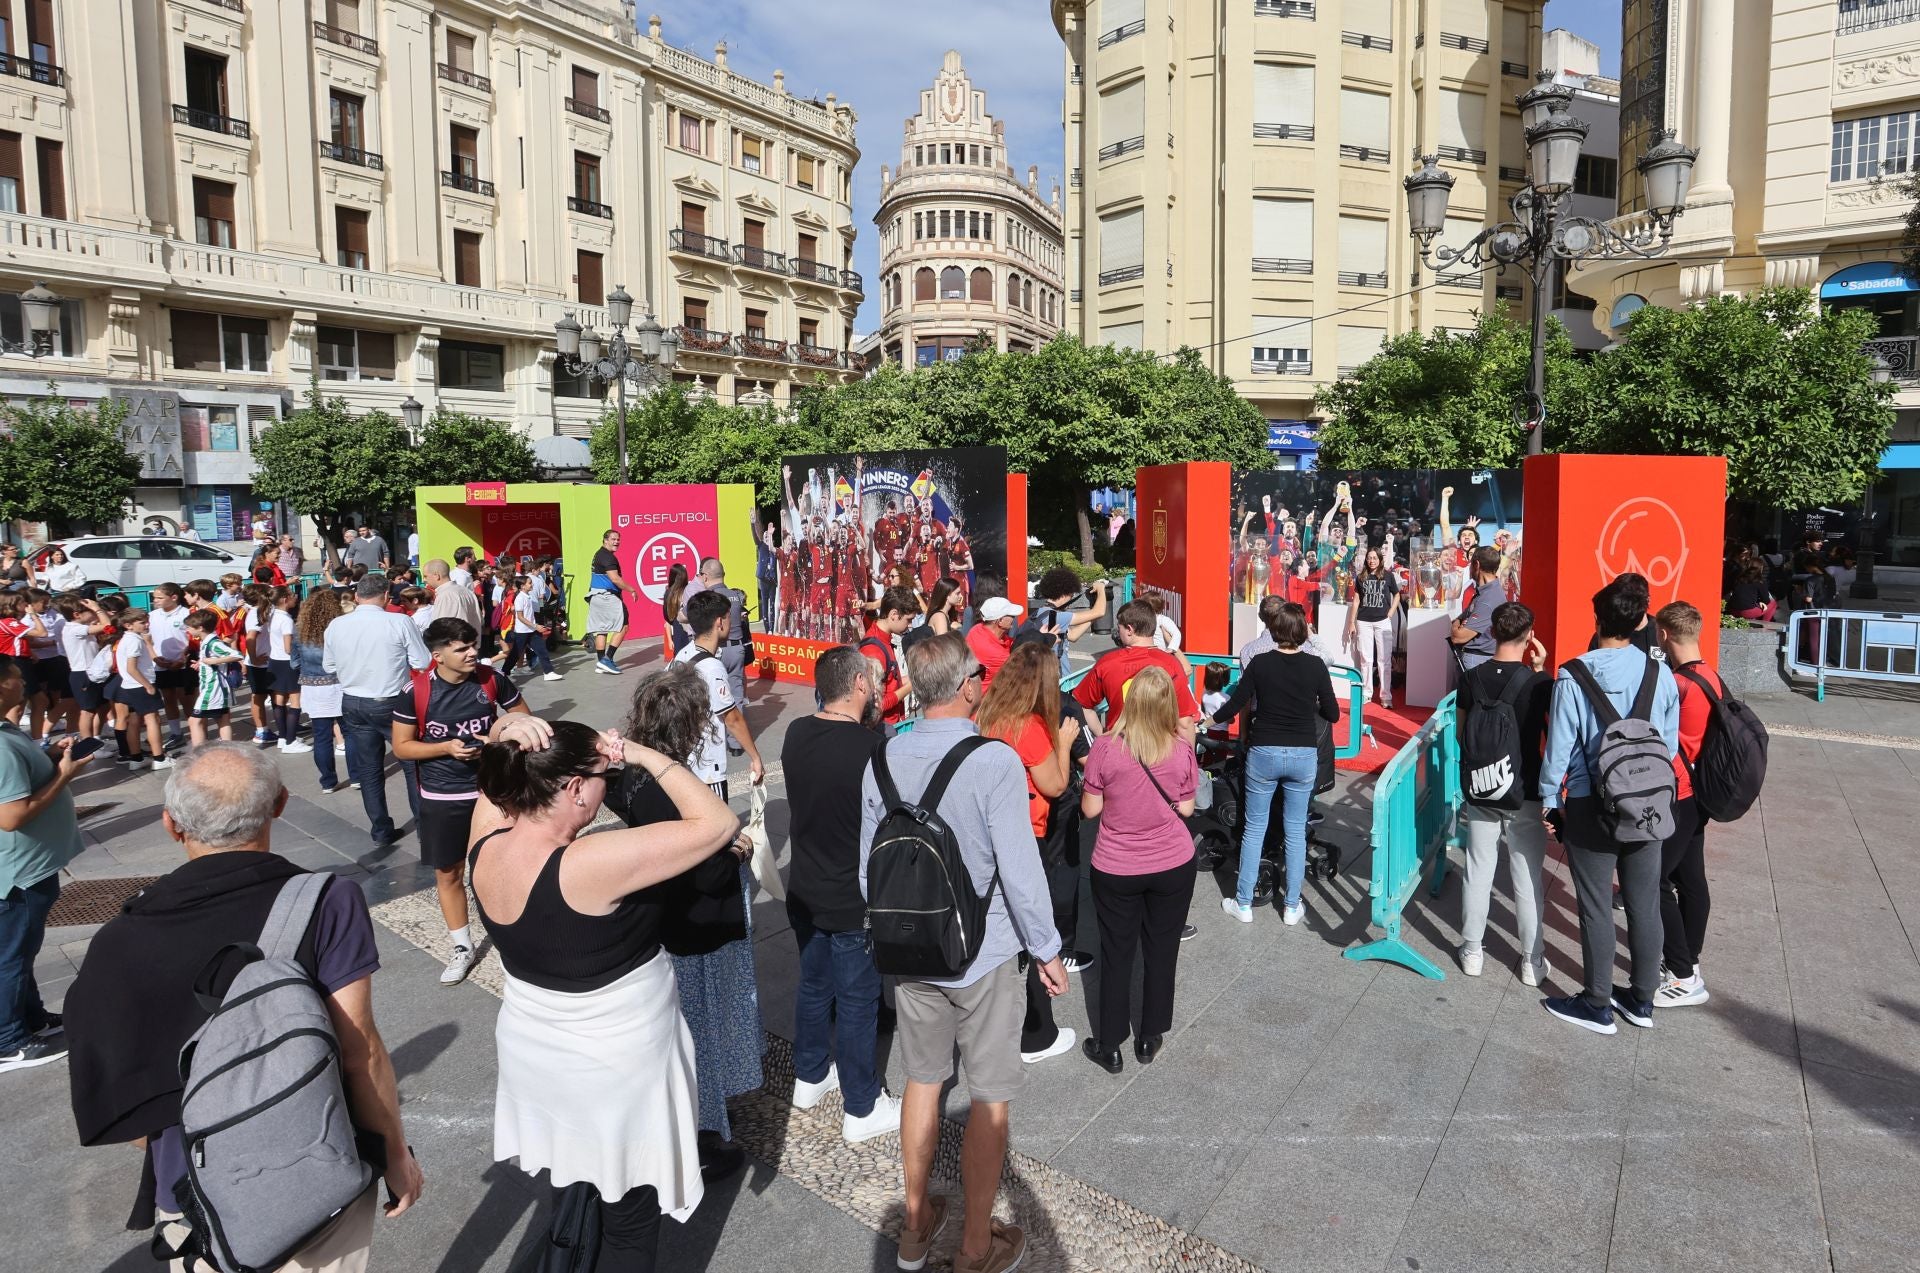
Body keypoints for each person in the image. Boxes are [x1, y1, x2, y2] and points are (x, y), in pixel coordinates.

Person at [64, 744, 423, 1263]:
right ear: (279, 804)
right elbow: (358, 1047)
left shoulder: (120, 934)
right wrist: (394, 1151)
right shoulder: (326, 901)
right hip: (313, 1176)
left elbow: (112, 1080)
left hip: (193, 1191)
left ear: (170, 824)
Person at [468, 720, 735, 1271]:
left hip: (538, 1054)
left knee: (574, 1177)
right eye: (601, 776)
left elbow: (494, 789)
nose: (606, 782)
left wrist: (505, 733)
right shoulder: (588, 864)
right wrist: (638, 753)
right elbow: (717, 822)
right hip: (613, 1069)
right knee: (631, 1221)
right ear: (572, 789)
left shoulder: (487, 844)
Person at [858, 634, 1065, 1273]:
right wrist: (1049, 948)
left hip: (909, 947)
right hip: (984, 950)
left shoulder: (884, 757)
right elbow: (1020, 869)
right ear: (967, 683)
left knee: (923, 1079)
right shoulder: (992, 760)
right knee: (988, 1096)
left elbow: (867, 866)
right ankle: (977, 1244)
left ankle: (916, 1225)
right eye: (978, 672)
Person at [1539, 576, 1680, 1035]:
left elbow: (1559, 749)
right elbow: (1671, 747)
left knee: (1596, 905)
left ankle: (1597, 1002)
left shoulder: (1574, 674)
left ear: (1597, 618)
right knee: (1644, 904)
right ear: (1642, 620)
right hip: (1650, 804)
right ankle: (1642, 999)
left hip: (1589, 803)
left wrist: (1548, 799)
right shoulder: (1661, 675)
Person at [780, 646, 902, 1141]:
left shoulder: (795, 732)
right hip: (851, 896)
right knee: (857, 1000)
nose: (875, 691)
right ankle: (861, 1105)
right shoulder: (871, 749)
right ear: (857, 685)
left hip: (806, 888)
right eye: (871, 683)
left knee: (814, 986)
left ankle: (809, 1077)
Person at [393, 617, 531, 986]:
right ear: (437, 656)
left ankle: (518, 938)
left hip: (493, 792)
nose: (473, 653)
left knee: (507, 865)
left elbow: (524, 720)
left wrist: (495, 738)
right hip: (442, 797)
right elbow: (402, 747)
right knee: (449, 872)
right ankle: (462, 947)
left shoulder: (491, 679)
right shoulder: (416, 692)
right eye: (462, 649)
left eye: (473, 645)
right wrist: (445, 748)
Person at [1079, 665, 1196, 1073]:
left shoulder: (1107, 749)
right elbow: (1186, 807)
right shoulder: (1181, 748)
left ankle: (1110, 1044)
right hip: (1172, 862)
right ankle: (1151, 1035)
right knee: (1163, 950)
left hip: (1116, 865)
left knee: (1116, 953)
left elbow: (1090, 810)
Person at [976, 641, 1083, 1066]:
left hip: (988, 832)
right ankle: (1038, 1032)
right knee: (1039, 929)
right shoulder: (1028, 726)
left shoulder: (988, 714)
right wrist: (1064, 741)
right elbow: (1055, 785)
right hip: (1025, 834)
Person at [0, 654, 89, 1074]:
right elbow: (12, 816)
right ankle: (8, 1041)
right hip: (16, 875)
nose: (24, 686)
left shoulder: (5, 733)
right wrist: (63, 776)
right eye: (17, 680)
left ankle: (30, 1017)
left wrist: (50, 756)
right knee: (12, 956)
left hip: (27, 868)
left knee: (22, 949)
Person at [1455, 602, 1553, 982]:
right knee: (1526, 878)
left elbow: (1463, 732)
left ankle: (1473, 951)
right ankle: (1532, 960)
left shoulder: (1471, 678)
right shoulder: (1539, 683)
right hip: (1523, 788)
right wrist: (1541, 669)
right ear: (1529, 636)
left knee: (1477, 870)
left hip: (1481, 787)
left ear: (1491, 632)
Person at [324, 575, 432, 848]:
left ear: (357, 596)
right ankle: (424, 828)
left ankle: (381, 831)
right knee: (412, 764)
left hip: (352, 701)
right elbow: (421, 660)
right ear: (385, 596)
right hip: (392, 700)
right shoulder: (399, 621)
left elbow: (329, 667)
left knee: (369, 769)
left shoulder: (336, 625)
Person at [1653, 601, 1717, 1008]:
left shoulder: (1678, 684)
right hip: (1702, 792)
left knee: (1652, 880)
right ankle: (1689, 960)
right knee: (1691, 879)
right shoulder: (1710, 676)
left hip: (1679, 792)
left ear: (1664, 635)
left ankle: (1682, 973)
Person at [1072, 599, 1202, 733]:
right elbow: (1185, 722)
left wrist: (1102, 735)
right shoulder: (1171, 663)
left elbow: (1081, 703)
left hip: (1119, 745)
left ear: (1129, 629)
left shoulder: (1107, 662)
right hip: (1160, 747)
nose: (1118, 631)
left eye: (1119, 626)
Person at [292, 587, 348, 791]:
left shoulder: (300, 629)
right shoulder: (341, 627)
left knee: (321, 736)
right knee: (350, 732)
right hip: (340, 684)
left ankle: (328, 781)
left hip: (313, 686)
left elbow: (294, 662)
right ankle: (358, 776)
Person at [116, 608, 173, 772]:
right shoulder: (134, 641)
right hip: (141, 685)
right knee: (153, 720)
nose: (146, 624)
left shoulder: (128, 639)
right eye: (142, 622)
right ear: (128, 625)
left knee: (134, 721)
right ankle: (159, 758)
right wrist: (148, 686)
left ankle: (136, 758)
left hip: (130, 685)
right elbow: (131, 667)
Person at [1345, 546, 1401, 709]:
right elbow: (1356, 600)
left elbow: (1396, 594)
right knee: (1366, 659)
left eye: (1374, 558)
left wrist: (1391, 612)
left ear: (1380, 560)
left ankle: (1386, 696)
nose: (1371, 561)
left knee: (1384, 660)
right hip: (1363, 621)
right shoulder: (1360, 577)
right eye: (1369, 558)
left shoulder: (1388, 576)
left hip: (1383, 622)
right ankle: (1367, 693)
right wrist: (1351, 622)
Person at [1029, 568, 1109, 677]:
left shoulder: (1041, 613)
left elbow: (1073, 636)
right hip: (1058, 679)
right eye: (1071, 594)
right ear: (1065, 593)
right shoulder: (1057, 616)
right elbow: (1100, 612)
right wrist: (1100, 588)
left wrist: (1091, 616)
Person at [861, 587, 917, 729]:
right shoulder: (874, 650)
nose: (910, 625)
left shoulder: (884, 639)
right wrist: (909, 687)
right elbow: (877, 703)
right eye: (908, 620)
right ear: (893, 614)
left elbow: (888, 682)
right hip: (884, 729)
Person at [586, 530, 640, 675]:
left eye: (618, 539)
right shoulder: (607, 557)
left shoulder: (599, 554)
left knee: (602, 629)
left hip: (596, 596)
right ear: (605, 540)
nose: (616, 542)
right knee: (624, 626)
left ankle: (600, 662)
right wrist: (631, 590)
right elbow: (615, 579)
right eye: (613, 539)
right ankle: (606, 659)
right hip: (607, 597)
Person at [184, 609, 240, 744]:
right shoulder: (207, 642)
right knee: (223, 719)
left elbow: (237, 655)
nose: (187, 630)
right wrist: (201, 663)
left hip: (213, 688)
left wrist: (213, 661)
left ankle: (198, 754)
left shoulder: (213, 643)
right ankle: (228, 748)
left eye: (190, 627)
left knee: (194, 721)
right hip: (215, 687)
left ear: (200, 628)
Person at [148, 584, 193, 748]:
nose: (156, 601)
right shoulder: (152, 616)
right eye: (155, 598)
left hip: (182, 665)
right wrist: (155, 658)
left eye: (160, 598)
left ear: (174, 597)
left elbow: (192, 639)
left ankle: (196, 735)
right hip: (161, 665)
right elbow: (148, 640)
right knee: (168, 699)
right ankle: (176, 733)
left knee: (187, 700)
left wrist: (182, 658)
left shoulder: (186, 614)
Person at [1450, 546, 1506, 672]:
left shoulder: (1488, 599)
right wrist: (1459, 621)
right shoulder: (1487, 591)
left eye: (1470, 564)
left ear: (1477, 564)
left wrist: (1456, 625)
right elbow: (1462, 617)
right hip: (1476, 659)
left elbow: (1458, 637)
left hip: (1476, 662)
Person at [268, 587, 310, 753]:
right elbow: (288, 648)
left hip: (275, 661)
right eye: (292, 595)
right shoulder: (286, 620)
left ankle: (283, 737)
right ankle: (291, 741)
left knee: (279, 701)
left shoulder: (272, 615)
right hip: (287, 663)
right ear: (285, 599)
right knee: (295, 701)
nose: (296, 597)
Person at [500, 574, 562, 681]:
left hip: (532, 631)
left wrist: (535, 626)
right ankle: (503, 673)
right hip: (522, 632)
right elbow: (520, 617)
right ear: (522, 586)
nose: (531, 584)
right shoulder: (520, 598)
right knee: (515, 654)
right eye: (529, 583)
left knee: (542, 650)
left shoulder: (527, 597)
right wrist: (535, 625)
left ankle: (548, 672)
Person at [966, 596, 1022, 691]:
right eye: (1011, 616)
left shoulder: (976, 629)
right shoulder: (998, 655)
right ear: (999, 621)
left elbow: (1007, 642)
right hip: (989, 701)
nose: (1014, 618)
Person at [1726, 557, 1775, 623]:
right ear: (1760, 568)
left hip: (1733, 610)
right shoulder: (1760, 581)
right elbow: (1766, 600)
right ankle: (1764, 624)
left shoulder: (1738, 578)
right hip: (1747, 612)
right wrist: (1760, 602)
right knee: (1773, 604)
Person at [661, 563, 691, 655]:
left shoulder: (668, 593)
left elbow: (667, 617)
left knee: (681, 662)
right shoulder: (689, 590)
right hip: (691, 629)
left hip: (678, 631)